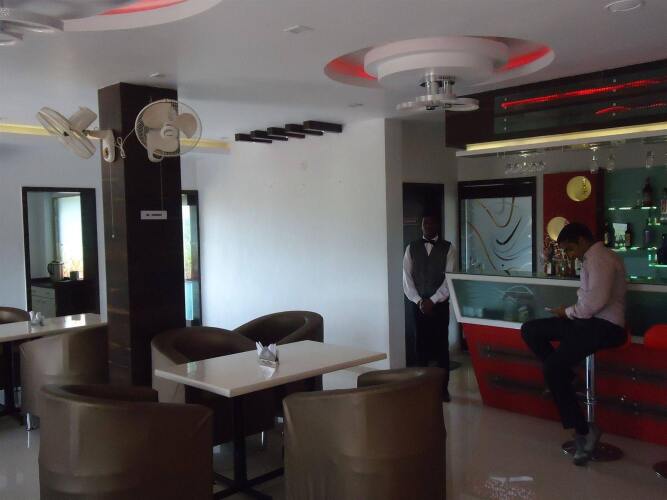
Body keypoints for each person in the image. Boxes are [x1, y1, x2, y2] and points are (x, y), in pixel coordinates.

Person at [521, 222, 627, 466]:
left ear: (581, 240)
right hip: (587, 322)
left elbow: (594, 303)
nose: (570, 255)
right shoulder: (591, 258)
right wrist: (570, 312)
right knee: (531, 330)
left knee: (552, 368)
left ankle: (584, 431)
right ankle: (568, 378)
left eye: (570, 249)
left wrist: (567, 312)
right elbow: (588, 303)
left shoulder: (600, 259)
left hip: (606, 328)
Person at [403, 214, 457, 402]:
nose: (428, 225)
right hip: (417, 305)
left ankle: (443, 390)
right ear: (421, 226)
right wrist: (419, 300)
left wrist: (433, 301)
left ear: (437, 225)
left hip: (439, 306)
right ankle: (422, 388)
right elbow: (406, 278)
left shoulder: (449, 248)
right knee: (420, 347)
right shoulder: (411, 247)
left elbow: (449, 279)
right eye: (425, 222)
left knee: (441, 348)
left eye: (432, 222)